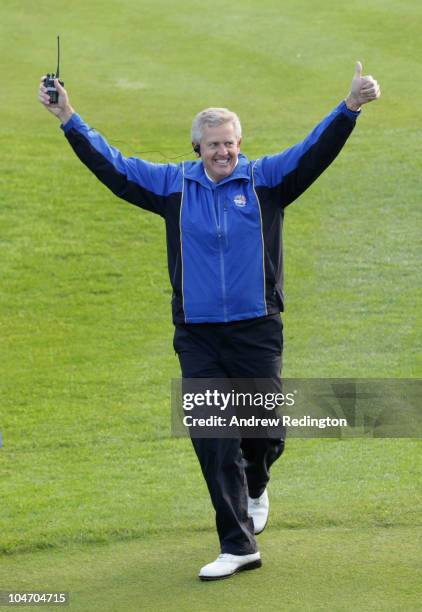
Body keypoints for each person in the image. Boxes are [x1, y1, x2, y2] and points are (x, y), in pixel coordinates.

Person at [38, 62, 380, 581]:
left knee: (264, 432)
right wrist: (68, 117)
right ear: (197, 147)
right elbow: (113, 166)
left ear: (240, 143)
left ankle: (258, 485)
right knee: (212, 435)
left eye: (231, 143)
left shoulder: (266, 179)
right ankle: (238, 544)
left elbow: (315, 150)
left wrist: (349, 107)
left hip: (256, 329)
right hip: (197, 336)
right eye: (214, 144)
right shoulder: (172, 186)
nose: (224, 152)